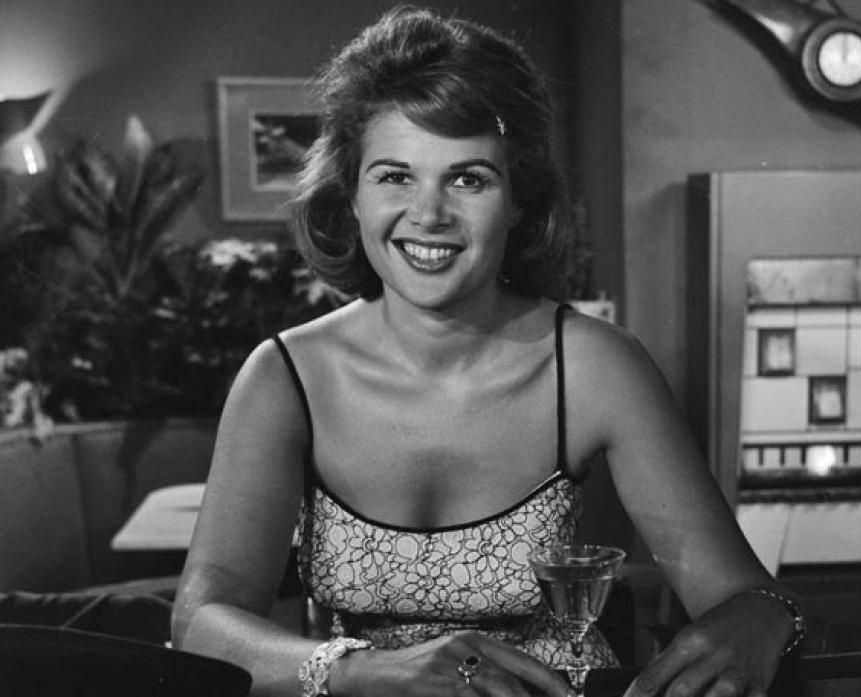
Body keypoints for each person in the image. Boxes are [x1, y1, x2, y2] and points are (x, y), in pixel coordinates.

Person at [172, 6, 804, 697]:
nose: (429, 214)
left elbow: (747, 597)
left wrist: (758, 615)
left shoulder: (595, 367)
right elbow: (200, 623)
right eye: (394, 176)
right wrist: (361, 671)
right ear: (350, 194)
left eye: (468, 178)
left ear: (519, 202)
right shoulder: (285, 377)